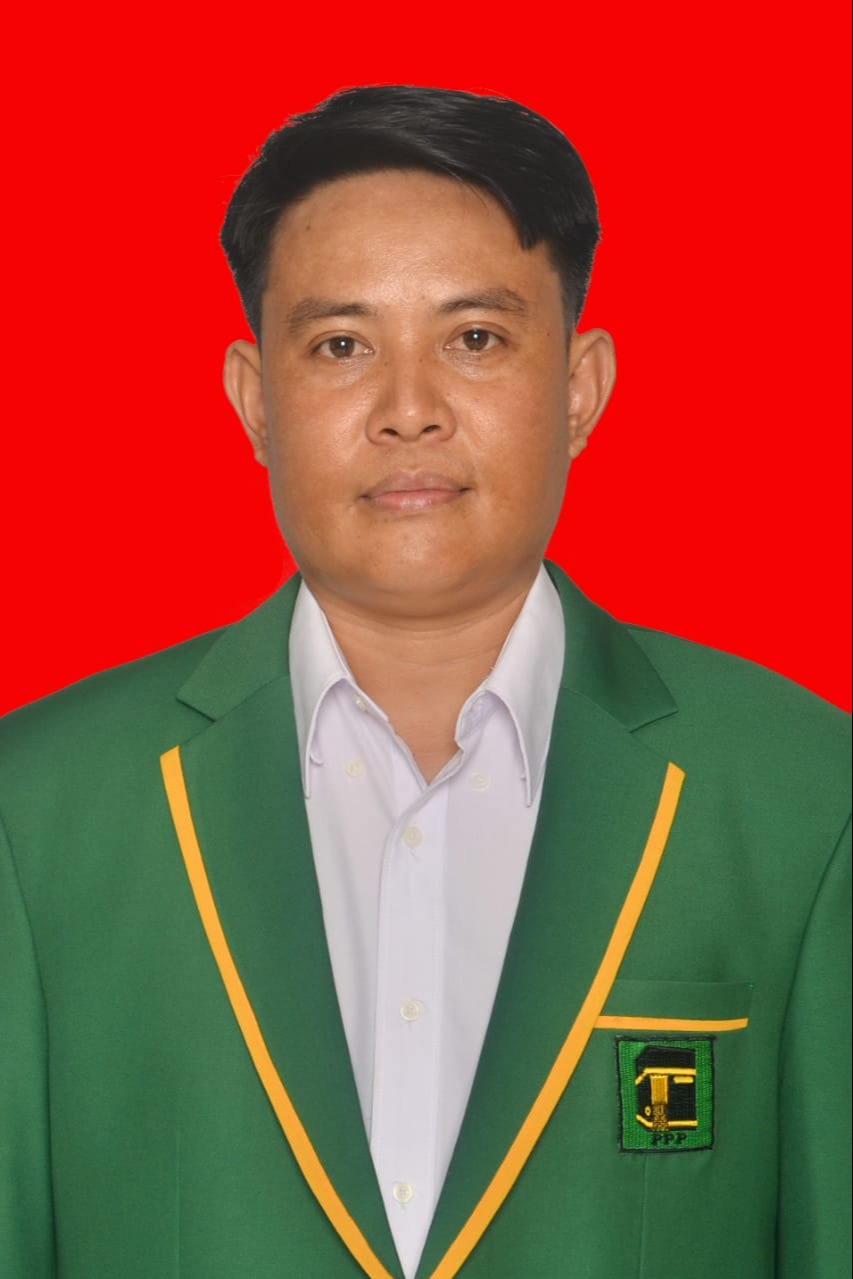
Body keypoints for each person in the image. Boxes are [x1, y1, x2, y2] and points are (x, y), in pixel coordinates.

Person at [0, 85, 849, 1279]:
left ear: (579, 388)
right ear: (254, 400)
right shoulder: (40, 810)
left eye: (475, 339)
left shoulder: (802, 793)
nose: (409, 412)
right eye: (341, 346)